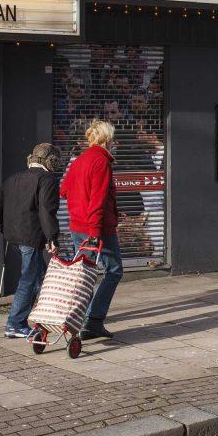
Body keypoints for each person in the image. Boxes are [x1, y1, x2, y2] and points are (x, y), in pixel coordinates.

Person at [0, 143, 61, 338]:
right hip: (31, 237)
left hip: (13, 238)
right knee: (29, 280)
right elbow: (46, 210)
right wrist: (53, 237)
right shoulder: (48, 179)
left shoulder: (14, 178)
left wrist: (3, 227)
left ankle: (46, 314)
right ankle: (16, 323)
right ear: (50, 161)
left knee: (39, 278)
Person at [59, 119, 123, 339]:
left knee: (84, 274)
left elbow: (64, 190)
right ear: (107, 139)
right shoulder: (100, 162)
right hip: (96, 228)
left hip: (78, 226)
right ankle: (93, 321)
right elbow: (97, 201)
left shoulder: (79, 161)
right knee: (113, 271)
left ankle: (77, 318)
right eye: (112, 139)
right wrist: (95, 233)